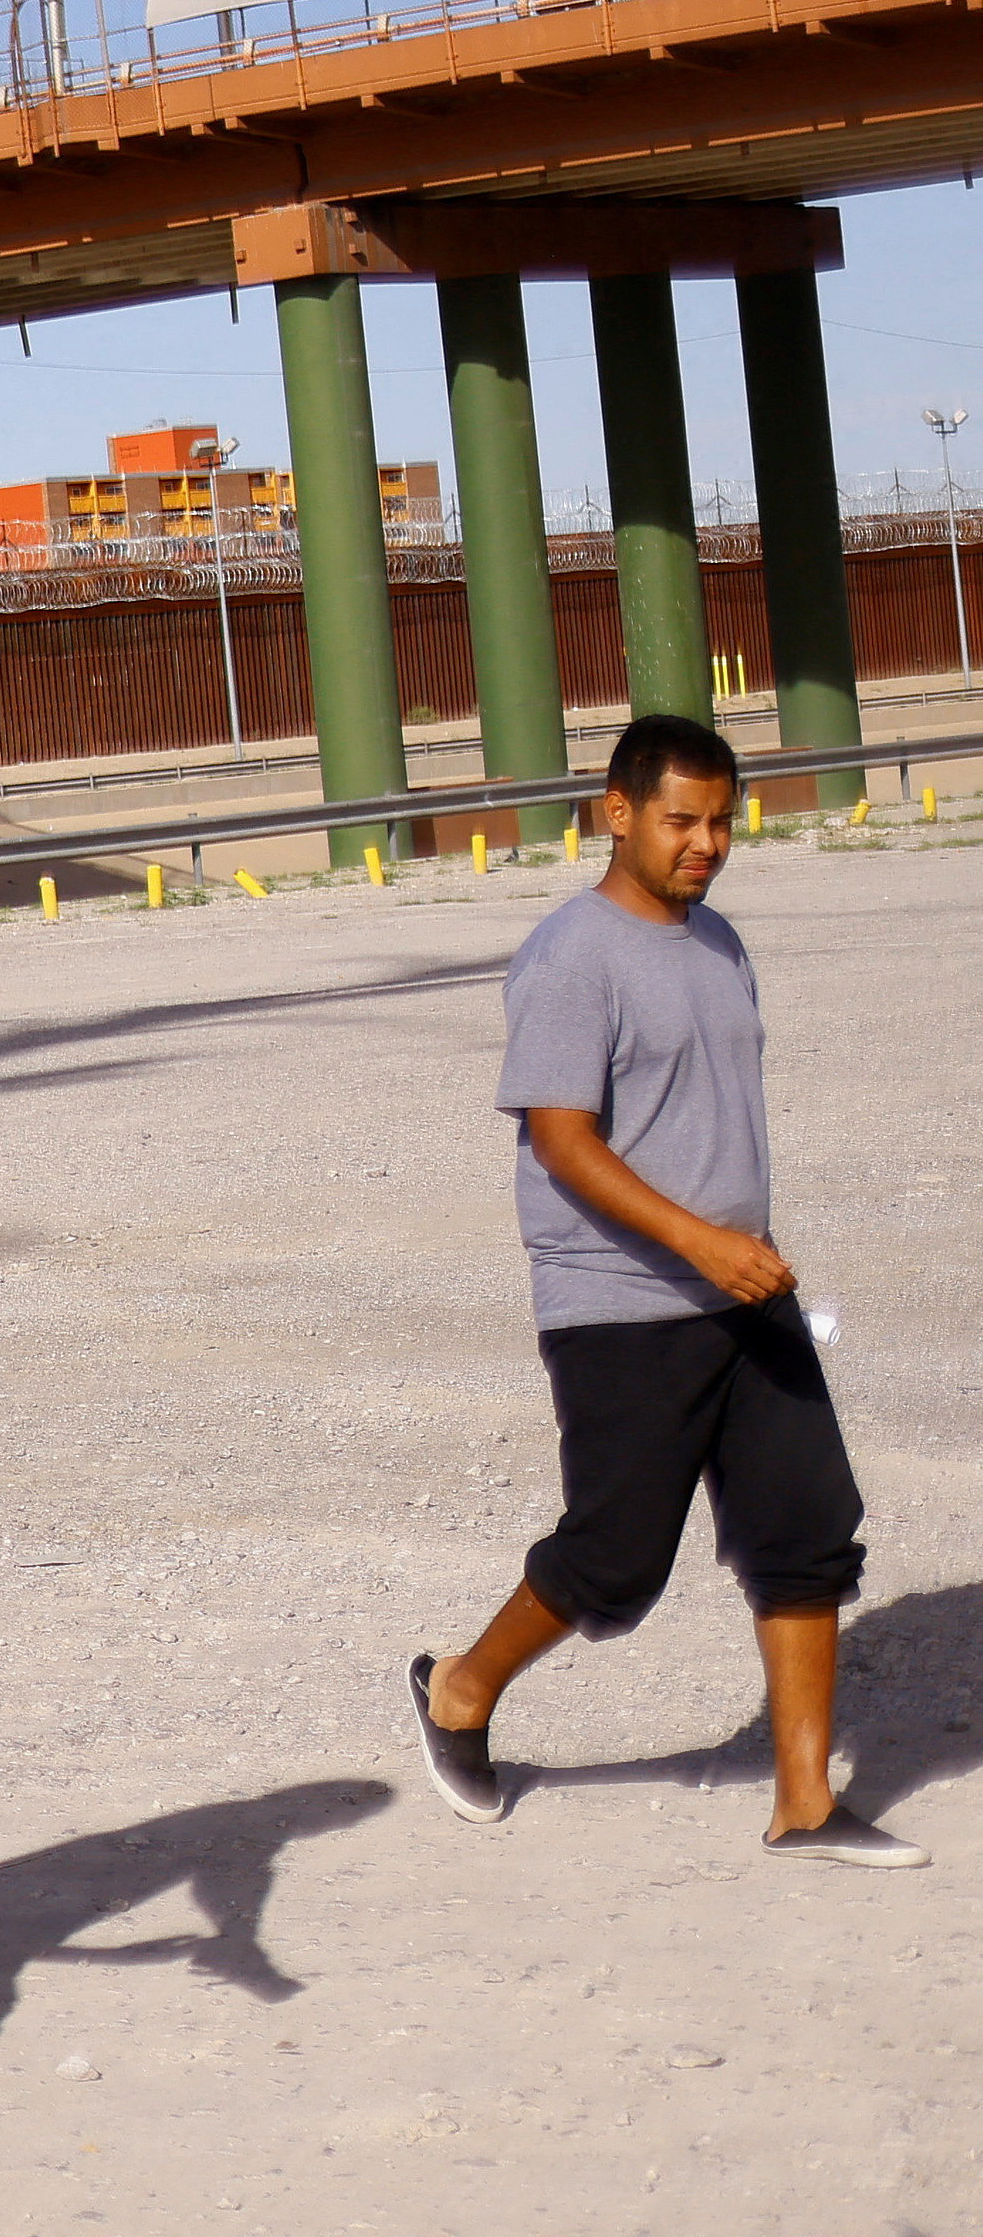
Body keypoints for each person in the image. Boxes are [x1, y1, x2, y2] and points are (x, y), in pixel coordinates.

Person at [407, 716, 919, 1867]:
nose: (706, 844)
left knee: (805, 1532)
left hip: (744, 1285)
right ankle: (460, 1689)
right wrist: (697, 1242)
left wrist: (737, 1250)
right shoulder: (570, 954)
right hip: (619, 1302)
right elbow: (561, 1139)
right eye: (682, 820)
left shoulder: (719, 941)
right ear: (617, 813)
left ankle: (803, 1802)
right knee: (615, 1560)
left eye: (723, 821)